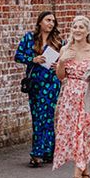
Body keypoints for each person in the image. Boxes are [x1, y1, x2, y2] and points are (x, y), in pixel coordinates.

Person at [53, 16, 90, 178]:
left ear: (87, 30)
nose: (77, 30)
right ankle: (86, 173)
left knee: (83, 133)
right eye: (75, 26)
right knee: (74, 135)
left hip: (88, 95)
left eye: (81, 27)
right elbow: (61, 77)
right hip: (69, 97)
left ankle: (76, 177)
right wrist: (61, 61)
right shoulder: (65, 49)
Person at [15, 11, 63, 167]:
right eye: (48, 20)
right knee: (39, 116)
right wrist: (32, 59)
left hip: (51, 82)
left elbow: (66, 59)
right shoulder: (29, 38)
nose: (50, 23)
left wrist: (59, 65)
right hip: (35, 83)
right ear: (40, 22)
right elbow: (18, 56)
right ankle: (49, 151)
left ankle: (37, 153)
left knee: (45, 114)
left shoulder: (57, 40)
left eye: (53, 21)